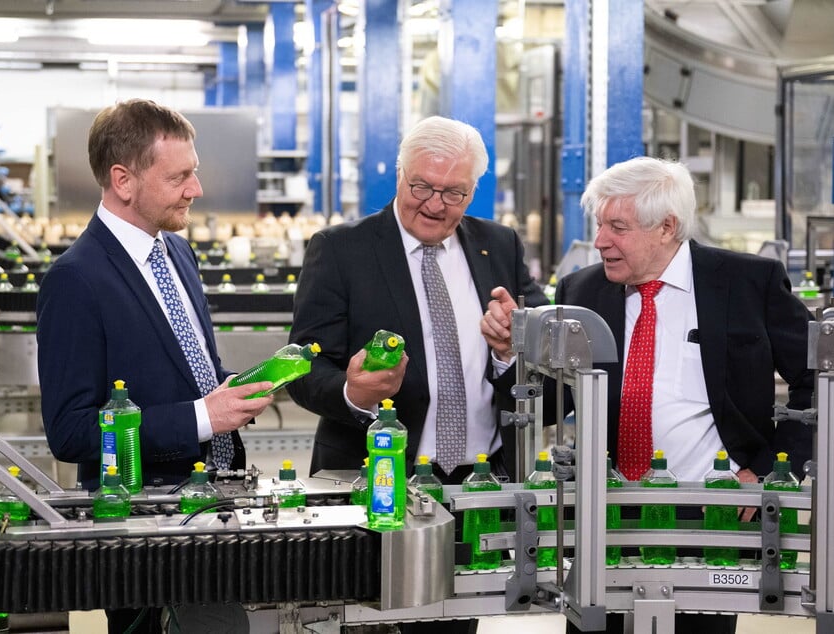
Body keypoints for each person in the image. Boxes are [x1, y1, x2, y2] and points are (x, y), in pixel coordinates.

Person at [481, 156, 814, 634]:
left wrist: (766, 470)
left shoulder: (747, 282)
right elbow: (557, 395)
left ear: (666, 227)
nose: (600, 242)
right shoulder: (582, 289)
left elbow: (818, 380)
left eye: (617, 227)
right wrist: (510, 355)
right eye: (600, 225)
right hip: (604, 516)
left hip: (712, 516)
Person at [37, 99, 272, 634]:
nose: (197, 189)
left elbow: (187, 370)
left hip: (214, 505)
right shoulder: (75, 279)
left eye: (196, 172)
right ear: (123, 180)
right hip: (144, 529)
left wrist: (228, 395)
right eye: (180, 177)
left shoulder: (178, 253)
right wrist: (201, 418)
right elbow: (70, 432)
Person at [287, 115, 548, 488]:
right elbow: (304, 366)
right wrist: (352, 392)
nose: (435, 205)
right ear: (400, 175)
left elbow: (546, 355)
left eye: (453, 193)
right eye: (422, 186)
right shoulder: (341, 250)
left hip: (487, 479)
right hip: (376, 477)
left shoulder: (500, 245)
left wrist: (511, 349)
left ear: (472, 191)